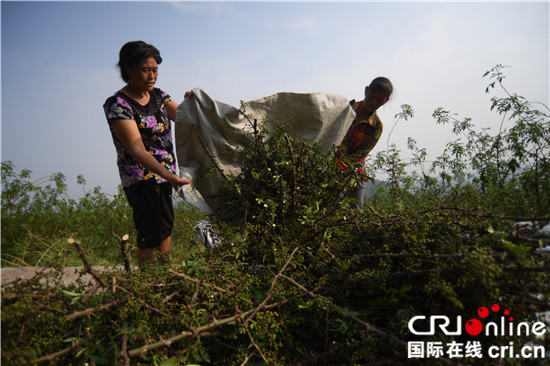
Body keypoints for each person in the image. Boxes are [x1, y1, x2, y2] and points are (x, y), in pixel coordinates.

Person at [103, 41, 190, 267]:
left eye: (155, 70)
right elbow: (136, 148)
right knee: (151, 234)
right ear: (128, 68)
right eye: (145, 70)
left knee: (165, 228)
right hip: (142, 179)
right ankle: (148, 285)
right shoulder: (118, 105)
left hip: (165, 176)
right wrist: (169, 175)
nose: (152, 76)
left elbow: (185, 118)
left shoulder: (160, 97)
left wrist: (193, 102)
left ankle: (162, 280)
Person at [338, 77, 393, 211]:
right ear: (366, 90)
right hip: (328, 166)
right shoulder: (345, 109)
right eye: (372, 96)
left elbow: (359, 155)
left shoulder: (376, 127)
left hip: (354, 173)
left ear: (386, 101)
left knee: (356, 213)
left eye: (379, 100)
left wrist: (338, 169)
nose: (373, 102)